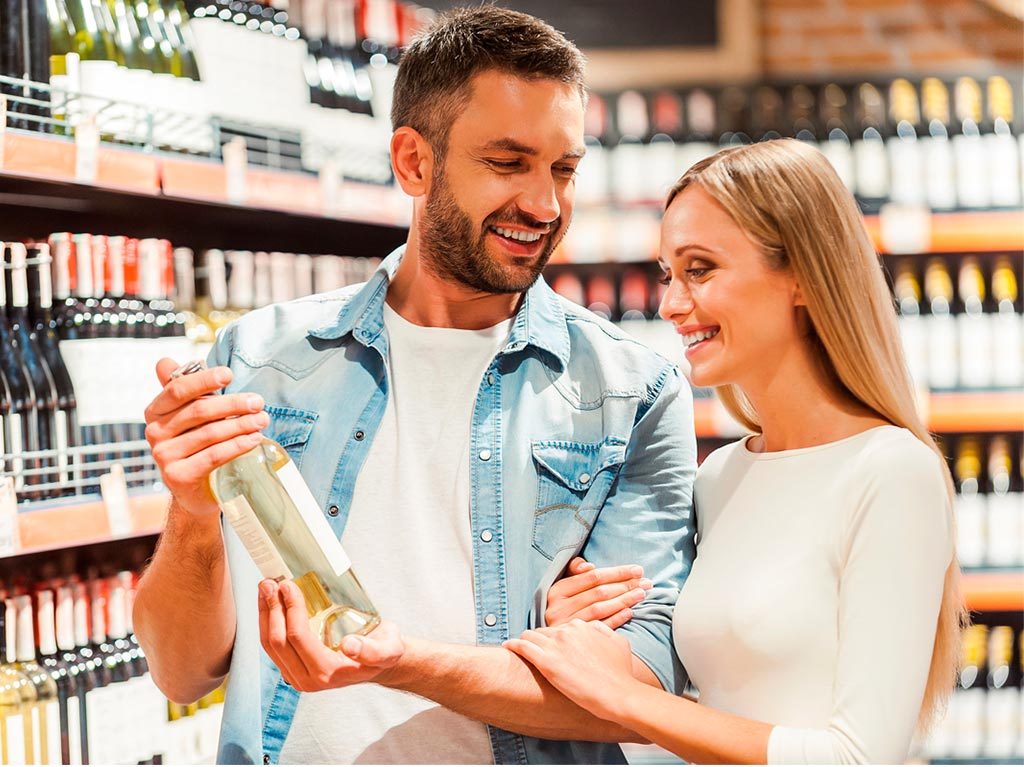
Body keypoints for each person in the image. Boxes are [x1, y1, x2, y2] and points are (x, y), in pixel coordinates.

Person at [134, 6, 697, 765]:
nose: (545, 204)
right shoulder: (261, 359)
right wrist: (194, 513)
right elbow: (180, 669)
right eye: (508, 162)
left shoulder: (632, 391)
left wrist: (397, 659)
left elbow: (636, 694)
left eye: (563, 168)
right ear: (413, 163)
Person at [501, 139, 967, 764]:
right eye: (669, 274)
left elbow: (859, 757)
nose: (669, 304)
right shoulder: (721, 476)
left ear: (802, 275)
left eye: (700, 270)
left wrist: (624, 700)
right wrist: (587, 624)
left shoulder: (891, 472)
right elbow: (725, 710)